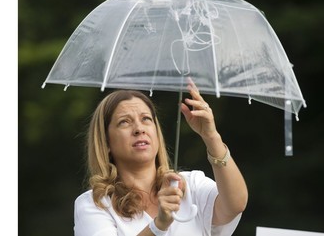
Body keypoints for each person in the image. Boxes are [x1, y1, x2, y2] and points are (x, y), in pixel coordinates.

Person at [74, 79, 248, 236]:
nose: (139, 129)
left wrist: (212, 137)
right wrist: (159, 225)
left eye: (146, 119)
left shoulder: (190, 185)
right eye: (124, 122)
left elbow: (235, 204)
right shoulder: (95, 204)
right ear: (106, 142)